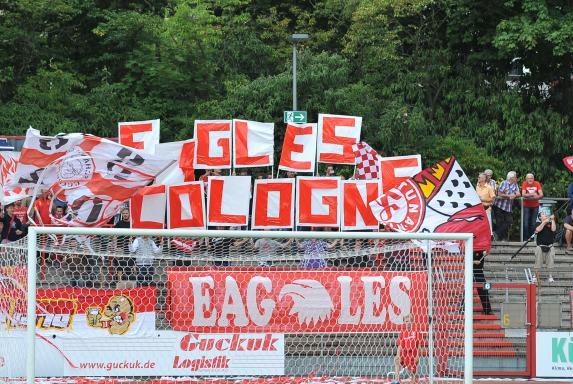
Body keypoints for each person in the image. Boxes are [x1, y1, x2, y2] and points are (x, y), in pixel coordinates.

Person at [393, 314, 422, 384]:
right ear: (404, 323)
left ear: (412, 322)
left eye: (409, 321)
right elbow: (399, 346)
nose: (408, 323)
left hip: (413, 355)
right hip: (404, 354)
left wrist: (418, 356)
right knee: (396, 360)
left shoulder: (416, 332)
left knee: (413, 372)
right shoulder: (403, 333)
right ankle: (397, 380)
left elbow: (419, 346)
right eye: (406, 321)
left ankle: (413, 380)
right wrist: (398, 355)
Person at [492, 171, 520, 241]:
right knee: (500, 222)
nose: (516, 178)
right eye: (515, 177)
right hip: (499, 205)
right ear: (511, 178)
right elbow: (499, 193)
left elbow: (519, 193)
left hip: (508, 207)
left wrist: (514, 195)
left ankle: (496, 233)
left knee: (509, 221)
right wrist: (508, 196)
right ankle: (501, 238)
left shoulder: (515, 184)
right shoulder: (503, 183)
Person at [533, 211, 556, 283]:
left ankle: (550, 276)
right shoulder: (538, 223)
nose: (545, 215)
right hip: (540, 246)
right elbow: (537, 230)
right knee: (538, 262)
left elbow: (554, 229)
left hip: (550, 246)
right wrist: (544, 222)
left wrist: (552, 220)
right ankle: (536, 277)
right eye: (543, 214)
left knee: (550, 262)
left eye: (545, 214)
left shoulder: (550, 223)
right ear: (540, 217)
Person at [113, 208, 134, 282]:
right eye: (124, 213)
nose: (125, 215)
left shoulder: (132, 223)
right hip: (120, 247)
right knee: (119, 266)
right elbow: (114, 235)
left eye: (126, 213)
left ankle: (129, 282)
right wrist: (115, 247)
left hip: (130, 248)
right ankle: (120, 282)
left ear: (129, 214)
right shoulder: (119, 223)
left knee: (129, 265)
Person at [521, 173, 543, 239]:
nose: (530, 180)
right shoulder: (524, 183)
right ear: (526, 179)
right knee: (525, 223)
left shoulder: (537, 183)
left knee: (533, 223)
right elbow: (523, 194)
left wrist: (535, 197)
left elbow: (541, 194)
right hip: (526, 205)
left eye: (531, 178)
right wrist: (533, 194)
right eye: (528, 178)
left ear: (533, 179)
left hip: (535, 206)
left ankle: (532, 238)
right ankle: (525, 238)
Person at [473, 250, 492, 314]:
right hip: (470, 271)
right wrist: (473, 262)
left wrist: (485, 252)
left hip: (479, 272)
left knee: (485, 289)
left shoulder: (481, 247)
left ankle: (487, 310)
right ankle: (463, 309)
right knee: (467, 291)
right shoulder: (468, 247)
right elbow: (464, 260)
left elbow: (485, 252)